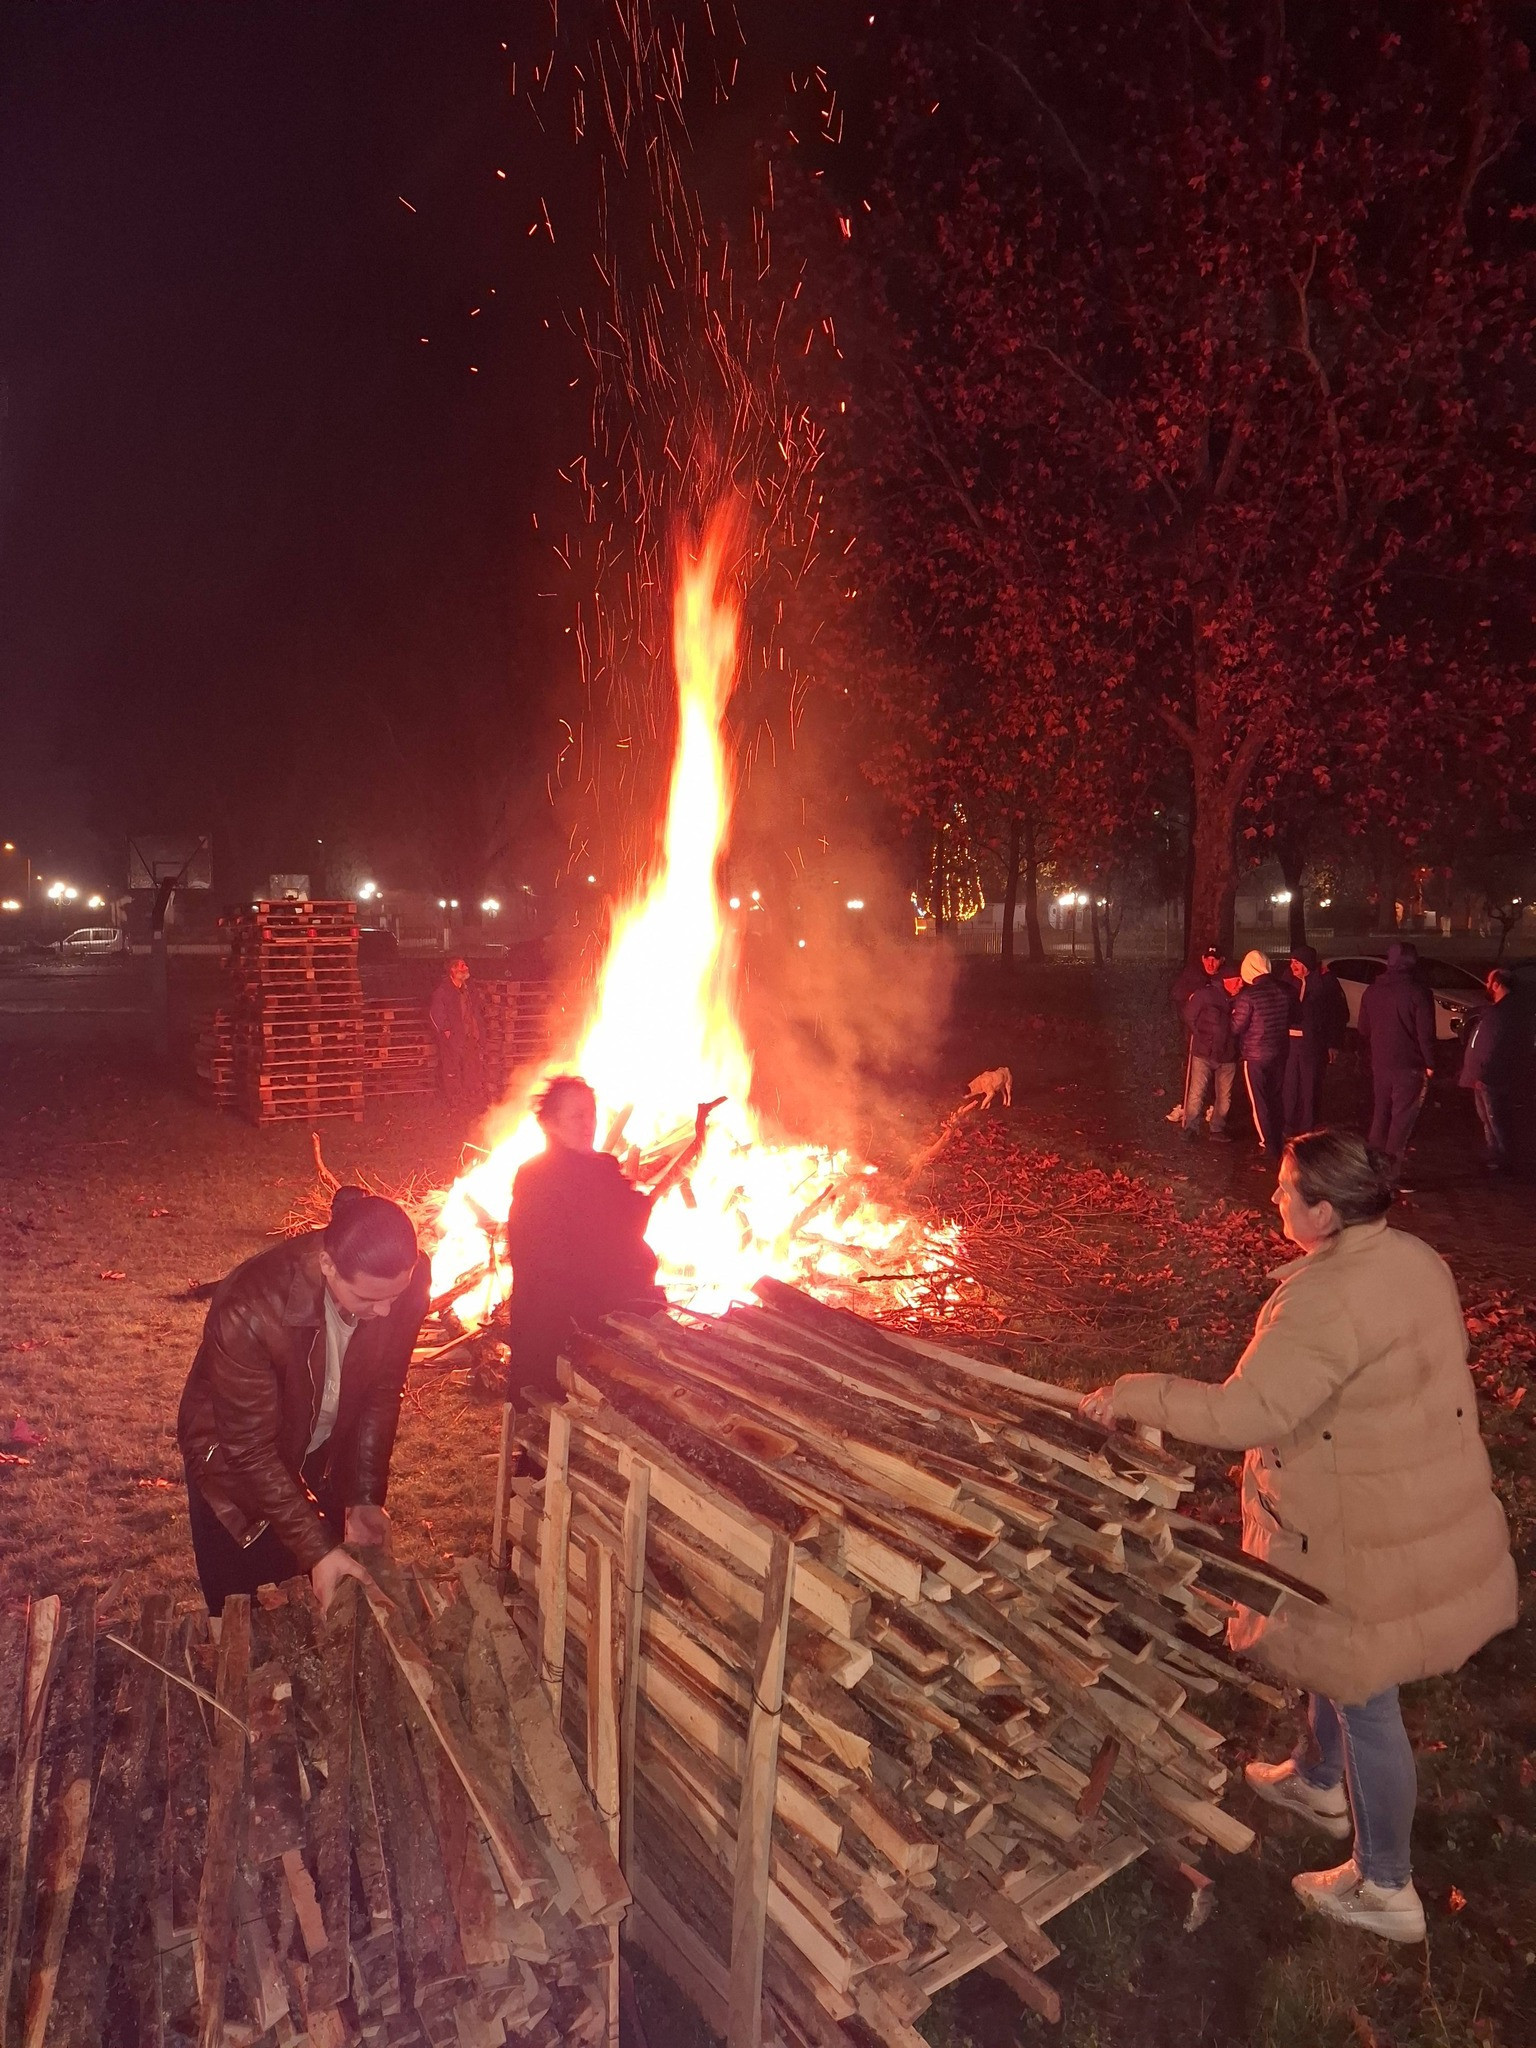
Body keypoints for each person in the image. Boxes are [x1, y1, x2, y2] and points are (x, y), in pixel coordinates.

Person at [1079, 1131, 1516, 1943]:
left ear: (1324, 1210)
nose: (1272, 1199)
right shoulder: (1412, 1257)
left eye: (1285, 1189)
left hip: (1363, 1523)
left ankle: (1386, 1885)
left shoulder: (1326, 1299)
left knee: (1364, 1692)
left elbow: (1249, 1411)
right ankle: (1318, 1779)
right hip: (1410, 1496)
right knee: (1332, 1641)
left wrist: (1137, 1392)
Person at [178, 1188, 430, 1616]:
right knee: (250, 1614)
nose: (386, 1311)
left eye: (394, 1296)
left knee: (324, 1599)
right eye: (368, 1299)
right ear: (327, 1265)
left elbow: (383, 1389)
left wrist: (365, 1495)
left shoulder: (403, 1281)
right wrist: (317, 1547)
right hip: (235, 1474)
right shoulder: (250, 1306)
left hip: (317, 1453)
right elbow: (250, 1451)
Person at [505, 1076, 665, 1405]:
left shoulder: (597, 1169)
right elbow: (567, 1253)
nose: (588, 1123)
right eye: (577, 1115)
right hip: (566, 1321)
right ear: (549, 1122)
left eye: (591, 1114)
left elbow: (623, 1229)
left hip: (591, 1310)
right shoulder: (539, 1178)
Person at [1357, 942, 1435, 1177]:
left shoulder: (1372, 990)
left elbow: (1363, 1028)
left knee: (1380, 1113)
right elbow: (1426, 1034)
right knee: (1402, 1120)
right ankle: (1390, 1174)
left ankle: (1371, 1167)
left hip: (1380, 1063)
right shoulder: (1418, 992)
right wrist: (1431, 1063)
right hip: (1409, 1066)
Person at [1458, 967, 1522, 1173]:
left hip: (1490, 1076)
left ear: (1497, 984)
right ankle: (1494, 1155)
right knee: (1488, 1118)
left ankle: (1505, 1160)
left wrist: (1483, 1073)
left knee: (1497, 1119)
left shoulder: (1505, 1012)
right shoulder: (1497, 1010)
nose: (1486, 986)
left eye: (1489, 982)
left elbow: (1496, 1046)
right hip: (1484, 1074)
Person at [1283, 945, 1350, 1137]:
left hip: (1314, 1043)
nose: (1293, 966)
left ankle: (1307, 1127)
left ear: (1307, 963)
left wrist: (1333, 1043)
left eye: (1297, 962)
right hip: (1289, 1042)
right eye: (1292, 962)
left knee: (1310, 1085)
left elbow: (1337, 1015)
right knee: (1289, 1084)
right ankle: (1287, 1126)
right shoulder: (1288, 980)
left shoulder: (1325, 982)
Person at [1231, 949, 1290, 1156]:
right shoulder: (1283, 990)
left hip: (1255, 1056)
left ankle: (1268, 1145)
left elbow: (1236, 1027)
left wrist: (1232, 1009)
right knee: (1275, 1097)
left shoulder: (1248, 996)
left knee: (1259, 1102)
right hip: (1280, 1052)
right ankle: (1279, 1137)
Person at [1180, 958, 1242, 1142]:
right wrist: (1202, 1035)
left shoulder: (1242, 998)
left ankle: (1217, 1129)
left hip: (1228, 1055)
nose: (1241, 983)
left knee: (1225, 1097)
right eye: (1236, 979)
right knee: (1196, 1092)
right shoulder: (1206, 995)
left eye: (1241, 979)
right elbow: (1189, 1015)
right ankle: (1190, 1128)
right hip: (1204, 1053)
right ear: (1226, 980)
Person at [1167, 944, 1223, 1125]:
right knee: (1192, 1069)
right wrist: (1195, 995)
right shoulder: (1194, 975)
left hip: (1219, 1037)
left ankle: (1212, 1108)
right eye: (1208, 959)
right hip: (1196, 1034)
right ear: (1202, 959)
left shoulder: (1225, 978)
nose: (1211, 963)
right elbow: (1177, 993)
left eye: (1215, 959)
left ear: (1221, 961)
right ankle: (1186, 1105)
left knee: (1218, 1072)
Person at [429, 956, 486, 1107]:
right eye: (462, 966)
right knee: (452, 1068)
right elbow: (436, 1013)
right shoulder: (443, 991)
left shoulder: (468, 990)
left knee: (471, 1067)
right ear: (453, 970)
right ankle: (456, 1099)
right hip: (453, 1037)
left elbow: (475, 1010)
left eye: (465, 965)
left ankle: (472, 1096)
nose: (465, 968)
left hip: (469, 1035)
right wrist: (446, 1031)